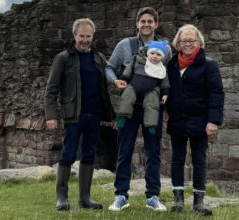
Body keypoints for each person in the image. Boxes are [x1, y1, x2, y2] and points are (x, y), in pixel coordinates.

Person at [44, 18, 115, 211]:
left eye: (88, 36)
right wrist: (51, 115)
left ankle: (85, 198)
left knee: (90, 154)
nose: (85, 40)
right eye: (81, 36)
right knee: (68, 154)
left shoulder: (98, 57)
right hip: (73, 115)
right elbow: (51, 89)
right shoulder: (63, 58)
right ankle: (61, 197)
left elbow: (111, 74)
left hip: (95, 115)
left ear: (93, 36)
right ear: (75, 35)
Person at [106, 7, 172, 212]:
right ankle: (121, 196)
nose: (146, 25)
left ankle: (153, 196)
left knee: (153, 151)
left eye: (150, 21)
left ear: (156, 24)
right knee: (124, 150)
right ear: (137, 24)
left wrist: (168, 103)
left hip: (153, 107)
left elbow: (167, 78)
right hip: (130, 107)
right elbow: (109, 67)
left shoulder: (166, 49)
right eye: (142, 21)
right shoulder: (125, 45)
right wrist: (114, 81)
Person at [165, 24, 224, 216]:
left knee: (199, 159)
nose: (188, 44)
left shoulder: (209, 65)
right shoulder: (171, 65)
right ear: (178, 43)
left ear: (199, 42)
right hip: (177, 119)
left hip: (200, 120)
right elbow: (165, 89)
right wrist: (166, 109)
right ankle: (178, 200)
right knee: (177, 159)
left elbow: (216, 94)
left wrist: (213, 120)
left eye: (192, 40)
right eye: (184, 41)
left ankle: (198, 202)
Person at [116, 40, 170, 134]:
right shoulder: (137, 60)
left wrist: (165, 93)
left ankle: (151, 126)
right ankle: (122, 117)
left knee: (152, 105)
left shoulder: (162, 69)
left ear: (162, 57)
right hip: (134, 86)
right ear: (148, 53)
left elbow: (165, 82)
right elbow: (128, 70)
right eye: (152, 53)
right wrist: (124, 79)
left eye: (158, 55)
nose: (154, 56)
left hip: (151, 89)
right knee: (127, 98)